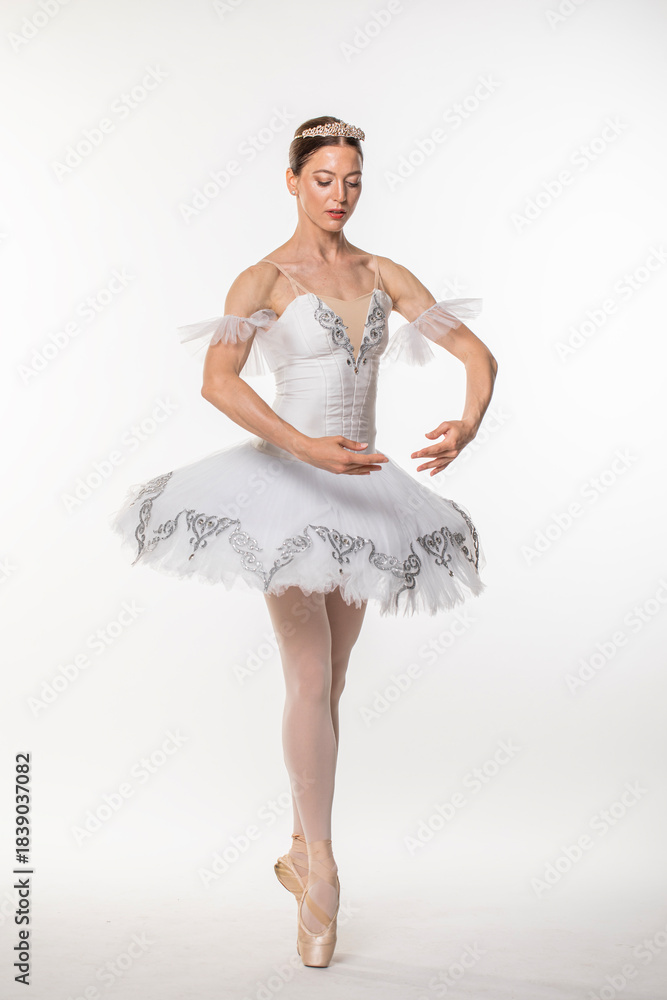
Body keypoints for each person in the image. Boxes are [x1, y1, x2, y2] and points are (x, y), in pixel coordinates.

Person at [108, 115, 498, 967]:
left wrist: (465, 425)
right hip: (282, 487)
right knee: (310, 672)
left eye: (351, 180)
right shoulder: (263, 279)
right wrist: (302, 446)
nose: (339, 195)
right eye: (322, 179)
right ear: (292, 182)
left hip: (363, 494)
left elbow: (477, 355)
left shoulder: (382, 273)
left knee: (334, 682)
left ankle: (295, 843)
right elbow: (217, 383)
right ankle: (320, 875)